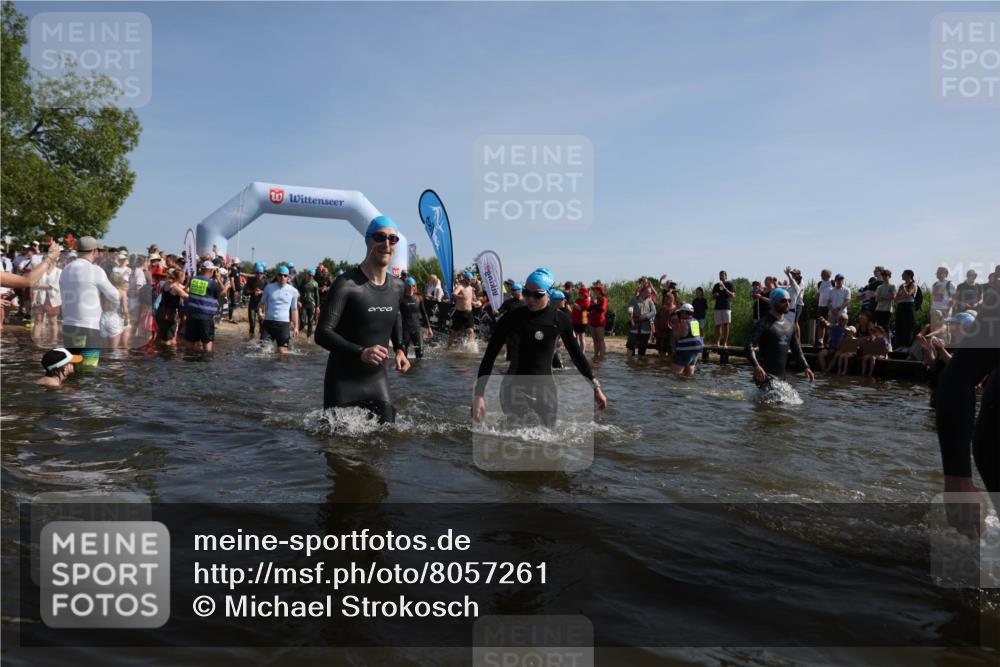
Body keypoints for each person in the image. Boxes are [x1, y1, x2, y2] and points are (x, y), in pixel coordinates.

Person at [472, 267, 607, 427]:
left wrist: (595, 387)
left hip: (545, 389)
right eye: (526, 293)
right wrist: (479, 395)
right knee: (519, 439)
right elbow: (490, 356)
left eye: (537, 295)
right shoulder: (512, 318)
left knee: (548, 438)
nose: (530, 299)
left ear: (549, 294)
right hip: (514, 387)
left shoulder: (560, 320)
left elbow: (577, 356)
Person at [315, 216, 410, 423]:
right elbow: (322, 334)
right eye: (380, 237)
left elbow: (395, 316)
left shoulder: (397, 287)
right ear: (368, 240)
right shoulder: (347, 284)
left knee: (387, 442)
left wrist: (400, 349)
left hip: (377, 380)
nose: (387, 244)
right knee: (338, 450)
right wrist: (361, 352)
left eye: (393, 239)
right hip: (343, 382)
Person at [58, 236, 119, 367]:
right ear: (94, 251)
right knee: (88, 370)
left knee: (71, 368)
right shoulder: (95, 270)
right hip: (88, 329)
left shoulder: (65, 269)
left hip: (68, 326)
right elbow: (114, 296)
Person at [745, 288, 815, 388]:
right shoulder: (763, 323)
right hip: (764, 376)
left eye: (789, 300)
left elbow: (796, 348)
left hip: (781, 378)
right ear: (773, 302)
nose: (787, 303)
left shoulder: (790, 325)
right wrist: (756, 366)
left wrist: (806, 367)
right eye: (783, 301)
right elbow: (748, 345)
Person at [183, 260, 223, 352]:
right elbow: (223, 294)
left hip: (192, 316)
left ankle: (188, 362)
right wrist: (220, 280)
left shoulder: (193, 280)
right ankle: (206, 364)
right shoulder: (212, 283)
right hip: (206, 317)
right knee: (207, 343)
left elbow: (186, 290)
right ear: (211, 271)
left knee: (190, 342)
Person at [258, 265, 300, 354]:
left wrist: (296, 326)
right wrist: (260, 312)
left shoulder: (293, 291)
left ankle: (280, 368)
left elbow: (294, 309)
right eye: (280, 275)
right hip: (268, 322)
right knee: (262, 351)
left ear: (288, 277)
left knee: (282, 352)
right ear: (277, 276)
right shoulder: (269, 287)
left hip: (283, 324)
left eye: (285, 275)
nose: (282, 277)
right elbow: (261, 303)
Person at [31, 248, 62, 346]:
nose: (44, 262)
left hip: (53, 299)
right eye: (44, 260)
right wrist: (34, 299)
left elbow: (56, 285)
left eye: (46, 260)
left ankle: (53, 341)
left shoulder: (59, 272)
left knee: (53, 321)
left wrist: (40, 286)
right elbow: (35, 286)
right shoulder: (40, 272)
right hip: (40, 298)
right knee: (38, 320)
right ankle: (36, 342)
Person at [400, 276, 432, 358]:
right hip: (405, 329)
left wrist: (429, 327)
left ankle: (417, 370)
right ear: (405, 286)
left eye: (413, 286)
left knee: (420, 353)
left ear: (415, 287)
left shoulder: (419, 298)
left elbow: (424, 313)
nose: (411, 287)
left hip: (416, 328)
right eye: (409, 286)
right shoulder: (401, 299)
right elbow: (395, 315)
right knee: (403, 353)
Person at [154, 268, 187, 346]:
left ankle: (157, 355)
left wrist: (187, 284)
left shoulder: (167, 283)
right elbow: (185, 296)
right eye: (184, 277)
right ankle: (168, 356)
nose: (185, 278)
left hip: (160, 312)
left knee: (161, 335)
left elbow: (181, 288)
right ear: (180, 278)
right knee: (168, 339)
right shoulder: (175, 287)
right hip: (169, 314)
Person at [672, 303, 703, 376]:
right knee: (689, 375)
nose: (679, 315)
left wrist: (675, 324)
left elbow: (677, 335)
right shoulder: (695, 321)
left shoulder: (685, 322)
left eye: (680, 313)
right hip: (694, 352)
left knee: (675, 374)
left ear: (684, 312)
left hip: (684, 352)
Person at [100, 273, 129, 348]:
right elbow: (125, 310)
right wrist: (126, 319)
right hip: (114, 319)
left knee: (104, 348)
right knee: (114, 349)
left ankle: (104, 360)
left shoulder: (104, 291)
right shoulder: (122, 292)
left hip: (102, 318)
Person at [448, 271, 477, 348]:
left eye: (471, 280)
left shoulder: (471, 288)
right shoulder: (460, 287)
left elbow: (468, 299)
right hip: (459, 313)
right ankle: (448, 347)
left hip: (469, 312)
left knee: (471, 331)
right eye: (469, 280)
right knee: (455, 332)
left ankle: (471, 348)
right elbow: (453, 294)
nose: (470, 281)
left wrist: (474, 303)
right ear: (465, 279)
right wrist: (460, 296)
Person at [626, 285, 656, 357]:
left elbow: (654, 312)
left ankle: (641, 365)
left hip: (645, 328)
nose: (650, 294)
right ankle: (630, 362)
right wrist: (631, 318)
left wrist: (645, 316)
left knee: (642, 348)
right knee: (630, 346)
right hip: (634, 326)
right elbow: (630, 310)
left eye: (650, 293)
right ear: (643, 292)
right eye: (649, 293)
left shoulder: (650, 301)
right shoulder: (634, 300)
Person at [894, 269, 918, 350]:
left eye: (903, 274)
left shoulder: (913, 284)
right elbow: (896, 297)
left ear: (908, 275)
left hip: (908, 306)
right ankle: (900, 345)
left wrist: (904, 288)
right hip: (901, 305)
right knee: (899, 325)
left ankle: (907, 346)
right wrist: (903, 291)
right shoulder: (902, 285)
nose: (901, 275)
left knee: (907, 326)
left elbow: (908, 294)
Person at [711, 270, 735, 349]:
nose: (721, 277)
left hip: (726, 307)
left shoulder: (730, 284)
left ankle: (725, 343)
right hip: (717, 307)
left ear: (726, 276)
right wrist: (715, 295)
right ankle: (717, 342)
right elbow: (712, 297)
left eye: (722, 275)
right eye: (720, 275)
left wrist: (725, 288)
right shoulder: (716, 285)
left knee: (726, 325)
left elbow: (733, 295)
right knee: (717, 325)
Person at [930, 266, 956, 335]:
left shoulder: (950, 284)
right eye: (937, 273)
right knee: (933, 329)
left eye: (940, 273)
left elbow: (954, 298)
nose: (938, 275)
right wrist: (931, 308)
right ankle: (933, 344)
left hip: (945, 309)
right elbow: (933, 298)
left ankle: (946, 344)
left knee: (944, 329)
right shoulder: (935, 284)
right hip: (934, 309)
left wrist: (949, 309)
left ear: (945, 274)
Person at [246, 262, 268, 337]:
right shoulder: (251, 280)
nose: (259, 275)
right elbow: (245, 292)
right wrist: (253, 291)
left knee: (262, 324)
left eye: (260, 273)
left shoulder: (266, 281)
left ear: (263, 273)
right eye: (257, 273)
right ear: (255, 273)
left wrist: (261, 292)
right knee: (252, 324)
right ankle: (250, 339)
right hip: (252, 303)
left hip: (261, 304)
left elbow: (269, 293)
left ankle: (261, 341)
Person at [587, 283, 608, 360]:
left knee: (600, 339)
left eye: (595, 290)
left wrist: (595, 304)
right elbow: (588, 309)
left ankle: (602, 356)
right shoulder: (595, 299)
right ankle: (596, 355)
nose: (594, 291)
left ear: (599, 291)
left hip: (600, 322)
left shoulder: (603, 299)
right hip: (593, 322)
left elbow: (601, 309)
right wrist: (592, 303)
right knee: (595, 340)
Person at [299, 268, 321, 338]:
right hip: (303, 304)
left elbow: (317, 296)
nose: (310, 276)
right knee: (302, 322)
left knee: (310, 323)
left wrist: (317, 306)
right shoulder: (303, 282)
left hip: (311, 304)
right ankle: (297, 334)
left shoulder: (315, 284)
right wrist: (298, 301)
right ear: (307, 274)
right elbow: (299, 292)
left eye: (311, 275)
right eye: (309, 275)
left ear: (313, 276)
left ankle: (308, 339)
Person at [654, 291, 676, 359]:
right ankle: (662, 366)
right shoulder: (662, 308)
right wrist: (656, 329)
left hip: (671, 332)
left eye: (667, 298)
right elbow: (656, 319)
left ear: (672, 299)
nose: (666, 300)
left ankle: (668, 366)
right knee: (661, 350)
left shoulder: (675, 309)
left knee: (671, 350)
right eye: (665, 298)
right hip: (661, 332)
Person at [815, 269, 833, 345]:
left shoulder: (833, 282)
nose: (821, 275)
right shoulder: (820, 283)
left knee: (829, 324)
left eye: (823, 274)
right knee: (821, 324)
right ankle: (820, 340)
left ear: (828, 275)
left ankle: (829, 340)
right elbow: (818, 294)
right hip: (821, 306)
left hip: (830, 307)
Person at [571, 286, 590, 354]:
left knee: (582, 337)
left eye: (581, 293)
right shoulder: (578, 300)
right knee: (575, 337)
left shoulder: (587, 301)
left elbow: (580, 309)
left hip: (582, 321)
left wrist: (574, 304)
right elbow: (573, 308)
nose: (579, 294)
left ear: (584, 294)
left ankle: (582, 353)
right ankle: (577, 351)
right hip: (575, 320)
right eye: (579, 293)